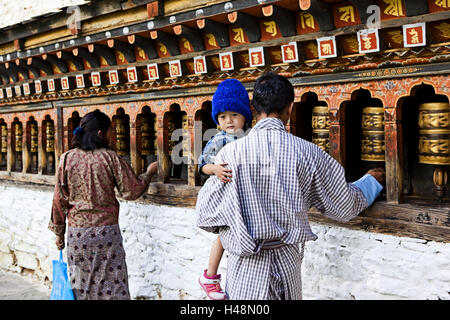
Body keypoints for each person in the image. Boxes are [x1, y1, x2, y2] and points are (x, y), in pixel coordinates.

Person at [195, 72, 385, 300]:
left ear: (254, 109)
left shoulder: (229, 155)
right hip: (288, 267)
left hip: (245, 270)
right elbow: (344, 205)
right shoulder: (309, 153)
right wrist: (371, 181)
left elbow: (205, 216)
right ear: (290, 108)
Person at [48, 110, 158, 300]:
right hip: (106, 234)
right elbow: (131, 191)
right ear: (100, 134)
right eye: (109, 132)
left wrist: (59, 233)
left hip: (78, 236)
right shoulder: (110, 157)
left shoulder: (67, 158)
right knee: (113, 286)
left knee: (82, 288)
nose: (111, 136)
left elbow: (59, 200)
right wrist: (148, 174)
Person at [197, 78, 253, 300]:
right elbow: (203, 165)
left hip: (245, 196)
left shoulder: (252, 136)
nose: (229, 121)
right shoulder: (218, 139)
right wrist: (216, 170)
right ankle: (209, 277)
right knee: (224, 235)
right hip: (226, 195)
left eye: (234, 115)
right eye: (222, 117)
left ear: (245, 116)